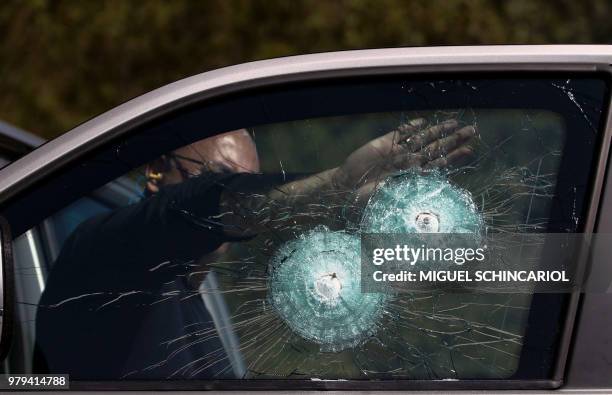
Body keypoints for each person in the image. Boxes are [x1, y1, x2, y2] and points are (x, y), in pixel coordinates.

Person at [33, 118, 476, 379]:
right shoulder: (102, 252)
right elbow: (196, 207)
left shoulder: (196, 306)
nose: (229, 193)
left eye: (249, 179)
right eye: (217, 176)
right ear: (154, 170)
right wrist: (335, 186)